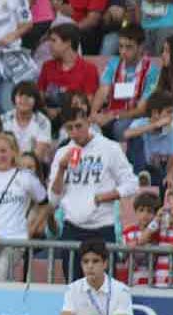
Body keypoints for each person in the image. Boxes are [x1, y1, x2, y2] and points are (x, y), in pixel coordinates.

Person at [49, 103, 139, 279]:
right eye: (69, 128)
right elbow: (53, 199)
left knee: (103, 289)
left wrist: (104, 197)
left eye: (78, 126)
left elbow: (132, 184)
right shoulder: (62, 153)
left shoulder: (110, 148)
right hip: (72, 228)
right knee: (74, 287)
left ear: (88, 122)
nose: (75, 132)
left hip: (102, 227)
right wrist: (61, 169)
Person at [0, 133, 48, 281]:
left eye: (3, 151)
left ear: (13, 152)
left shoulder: (26, 177)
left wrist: (32, 228)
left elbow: (44, 203)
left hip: (15, 240)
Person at [91, 24, 160, 142]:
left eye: (129, 47)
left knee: (120, 127)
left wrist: (113, 116)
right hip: (110, 114)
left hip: (134, 117)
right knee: (92, 127)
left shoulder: (152, 71)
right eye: (121, 46)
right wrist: (93, 114)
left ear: (141, 47)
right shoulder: (113, 63)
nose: (123, 51)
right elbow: (102, 92)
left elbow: (141, 109)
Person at [37, 23, 100, 112]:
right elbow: (40, 98)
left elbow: (88, 104)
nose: (49, 45)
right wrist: (46, 110)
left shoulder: (89, 69)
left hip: (73, 118)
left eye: (54, 40)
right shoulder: (47, 66)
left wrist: (59, 111)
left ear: (67, 43)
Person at [124, 91, 173, 186]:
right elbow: (126, 134)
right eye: (168, 112)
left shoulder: (171, 131)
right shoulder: (140, 123)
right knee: (136, 138)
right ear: (155, 113)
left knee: (166, 182)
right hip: (134, 171)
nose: (171, 116)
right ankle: (141, 176)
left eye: (172, 112)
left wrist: (170, 175)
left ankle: (144, 180)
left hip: (155, 173)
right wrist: (155, 125)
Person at [2, 82, 54, 163]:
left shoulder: (43, 122)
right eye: (20, 96)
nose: (24, 100)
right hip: (7, 163)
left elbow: (39, 155)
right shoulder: (3, 119)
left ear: (35, 100)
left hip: (33, 166)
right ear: (14, 98)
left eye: (29, 97)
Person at [122, 191, 162, 286]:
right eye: (141, 210)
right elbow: (122, 255)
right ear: (135, 211)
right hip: (132, 282)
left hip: (154, 284)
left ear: (156, 214)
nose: (145, 215)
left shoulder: (159, 232)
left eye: (149, 211)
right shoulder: (128, 231)